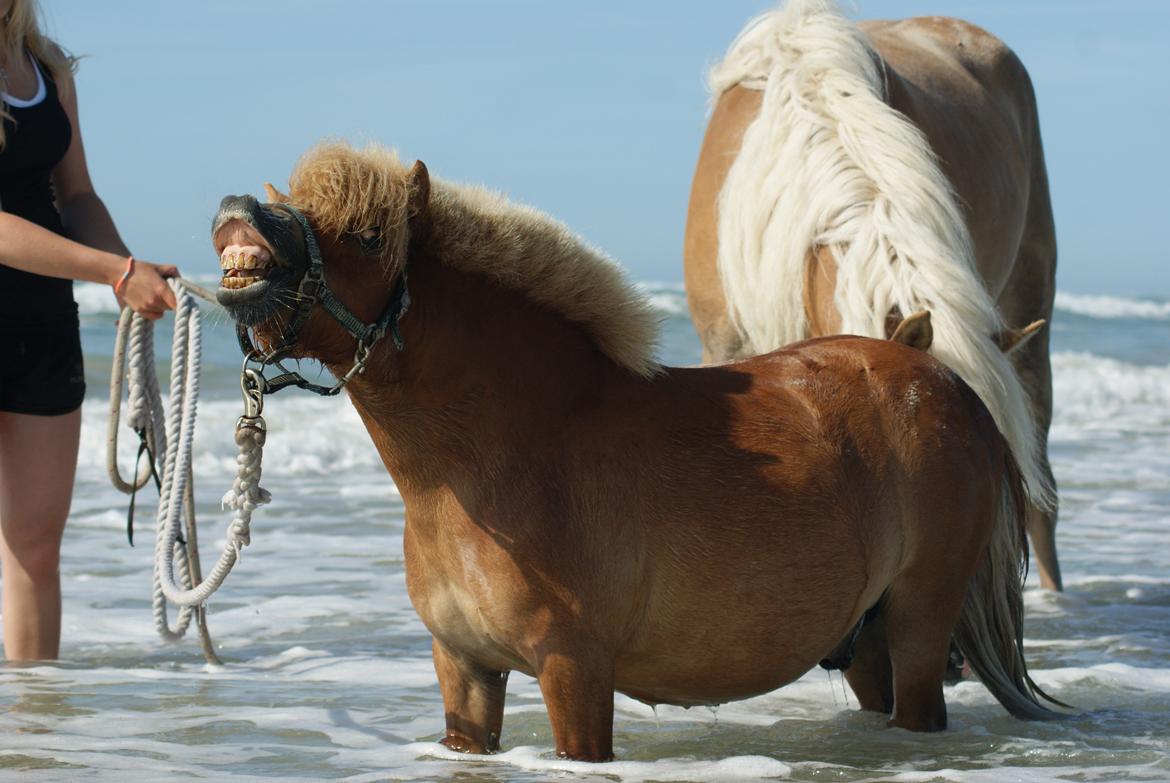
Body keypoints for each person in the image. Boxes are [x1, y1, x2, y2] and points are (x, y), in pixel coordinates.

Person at [0, 0, 180, 661]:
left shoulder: (47, 68)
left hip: (43, 324)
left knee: (36, 546)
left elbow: (75, 195)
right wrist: (113, 270)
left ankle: (34, 739)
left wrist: (134, 273)